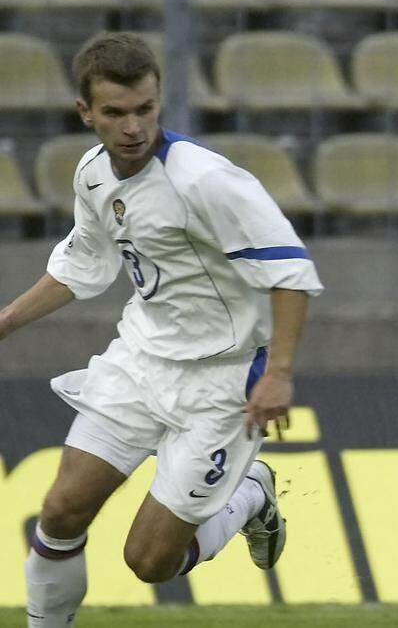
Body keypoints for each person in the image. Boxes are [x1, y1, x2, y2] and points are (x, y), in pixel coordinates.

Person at [7, 33, 323, 627]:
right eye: (115, 113)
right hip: (142, 362)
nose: (133, 127)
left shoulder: (206, 181)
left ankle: (252, 491)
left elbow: (292, 273)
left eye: (145, 110)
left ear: (159, 101)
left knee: (149, 561)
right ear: (86, 113)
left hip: (223, 382)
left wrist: (277, 373)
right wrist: (5, 322)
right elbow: (83, 265)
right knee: (61, 511)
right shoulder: (93, 174)